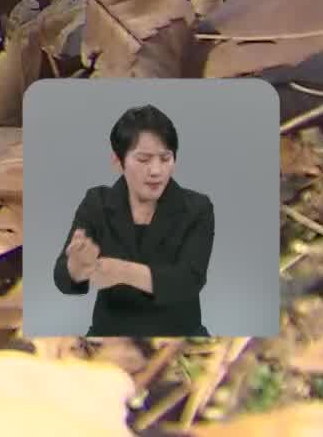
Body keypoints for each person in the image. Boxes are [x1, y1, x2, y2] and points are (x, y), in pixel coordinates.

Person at [53, 104, 215, 338]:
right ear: (119, 162)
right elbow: (63, 278)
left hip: (180, 333)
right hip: (109, 335)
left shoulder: (197, 208)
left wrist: (123, 272)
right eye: (144, 159)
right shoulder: (97, 203)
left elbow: (189, 280)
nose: (156, 170)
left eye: (165, 158)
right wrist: (77, 267)